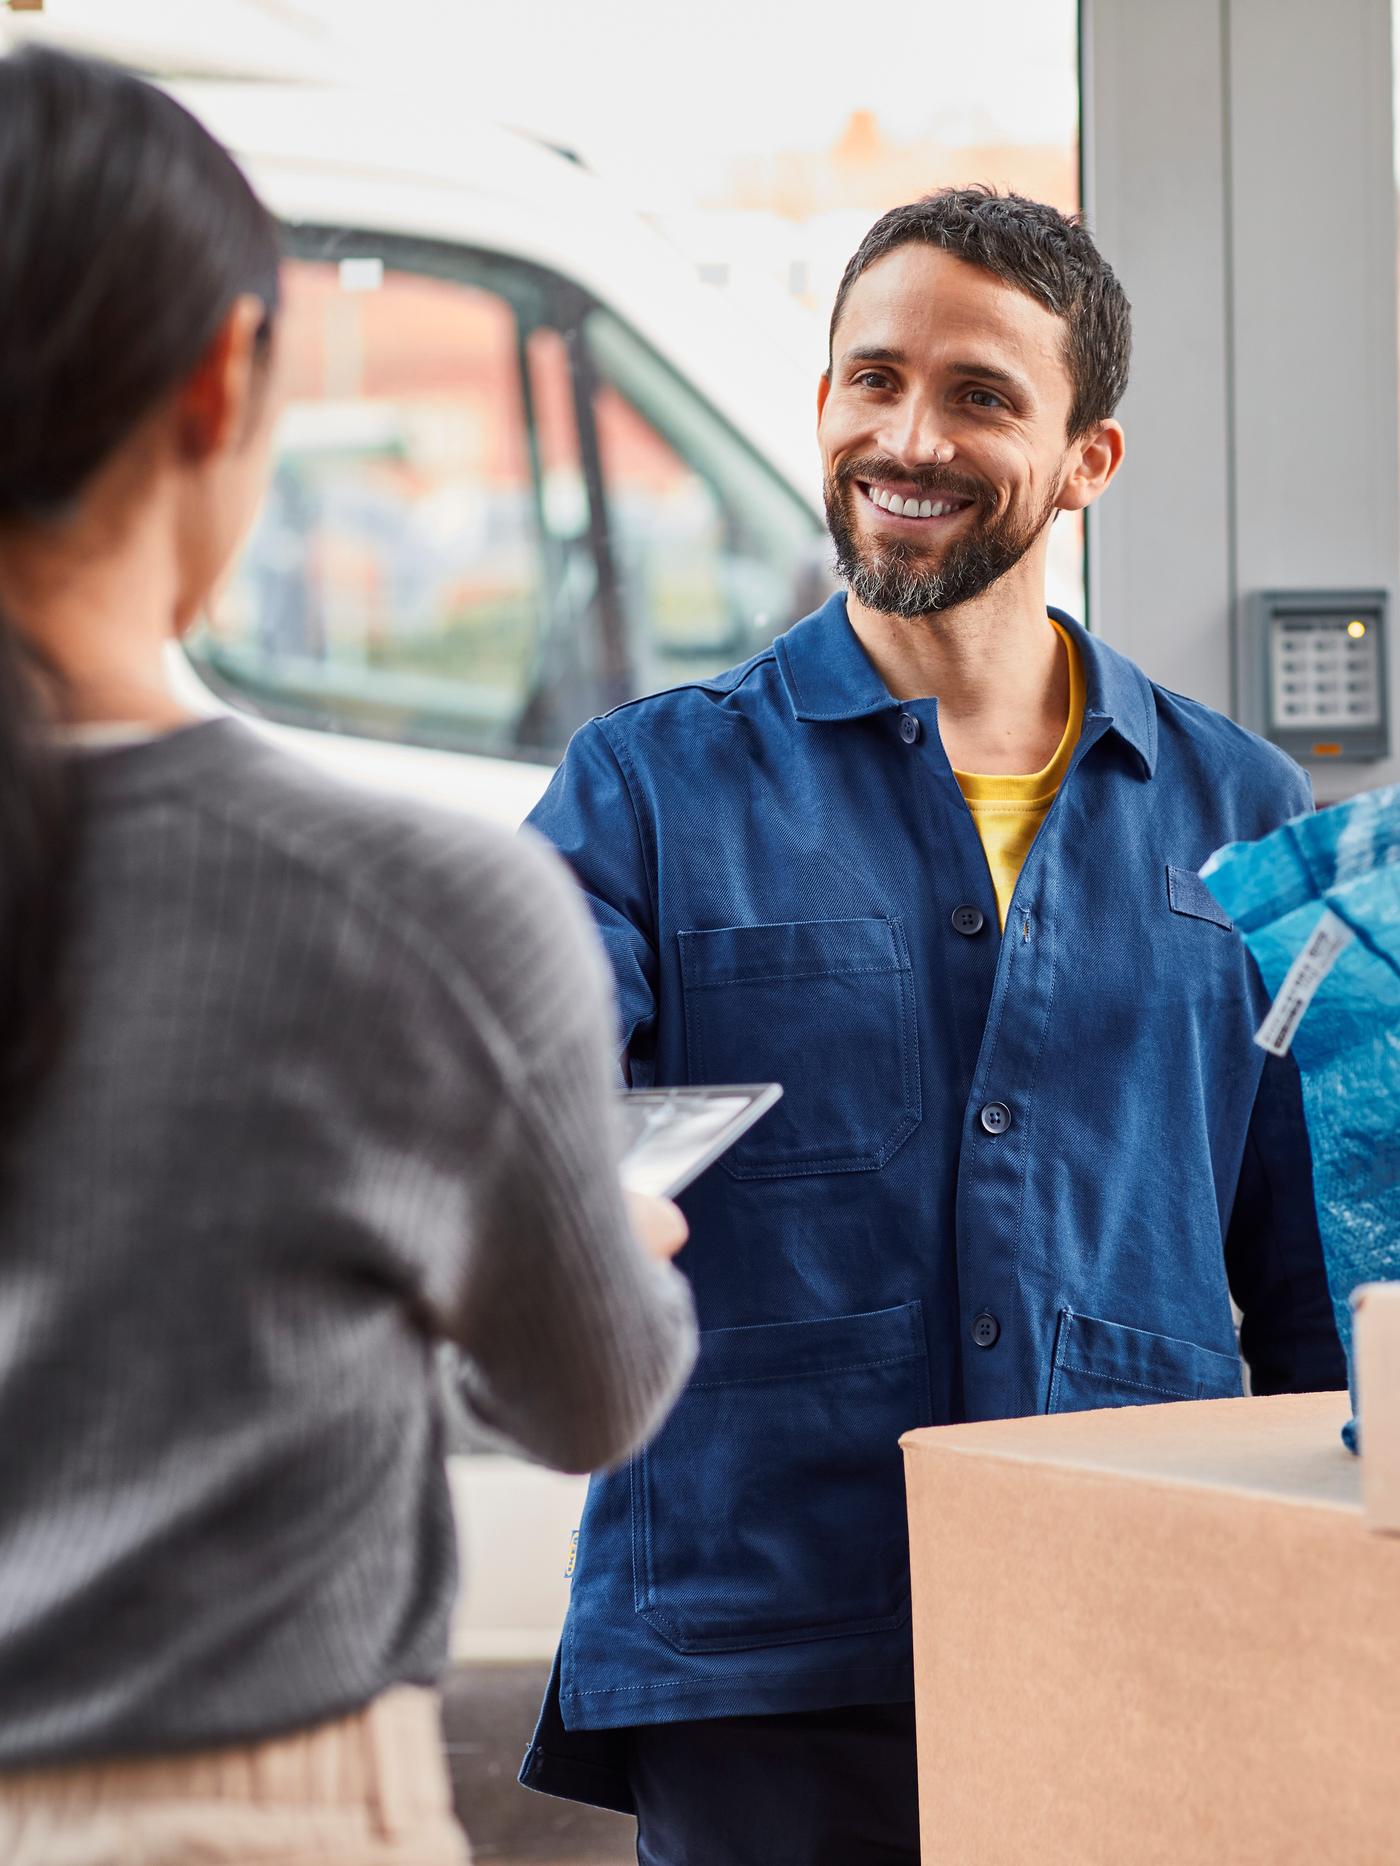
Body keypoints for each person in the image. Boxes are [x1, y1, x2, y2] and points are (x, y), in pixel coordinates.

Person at [519, 188, 1347, 1863]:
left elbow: (1313, 1271)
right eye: (870, 378)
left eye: (980, 394)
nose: (909, 434)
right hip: (766, 1643)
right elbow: (511, 1103)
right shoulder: (646, 788)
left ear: (1086, 459)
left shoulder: (1242, 813)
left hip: (1141, 1613)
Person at [0, 46, 695, 1866]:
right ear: (223, 383)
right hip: (239, 1812)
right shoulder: (424, 909)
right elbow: (589, 1394)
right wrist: (604, 1240)